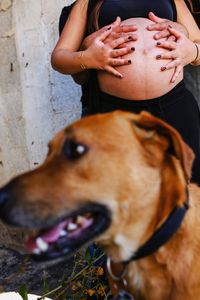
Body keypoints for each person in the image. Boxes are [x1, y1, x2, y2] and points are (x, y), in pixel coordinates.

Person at [51, 0, 200, 184]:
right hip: (115, 114)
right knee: (121, 192)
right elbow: (59, 58)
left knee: (187, 189)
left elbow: (197, 42)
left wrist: (192, 51)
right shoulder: (87, 3)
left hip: (175, 107)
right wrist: (88, 58)